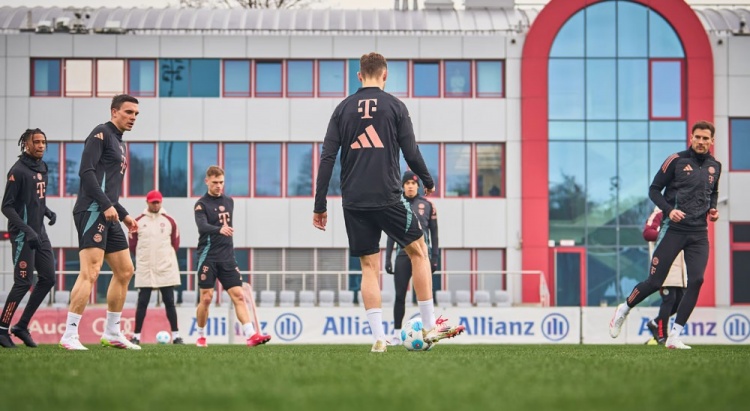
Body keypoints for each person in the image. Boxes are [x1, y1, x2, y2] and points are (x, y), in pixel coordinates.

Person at [313, 52, 464, 353]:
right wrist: (427, 179)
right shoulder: (395, 106)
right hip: (387, 197)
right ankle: (430, 326)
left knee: (369, 266)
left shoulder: (342, 109)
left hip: (354, 200)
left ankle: (379, 338)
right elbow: (411, 151)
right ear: (385, 75)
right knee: (419, 250)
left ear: (359, 76)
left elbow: (327, 157)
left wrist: (320, 205)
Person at [610, 121, 721, 350]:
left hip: (699, 233)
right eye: (697, 137)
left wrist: (713, 209)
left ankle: (674, 336)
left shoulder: (715, 166)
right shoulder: (676, 160)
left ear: (712, 141)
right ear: (691, 137)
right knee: (654, 282)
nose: (701, 141)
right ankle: (624, 308)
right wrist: (669, 210)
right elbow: (653, 190)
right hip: (673, 230)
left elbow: (713, 192)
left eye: (705, 138)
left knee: (697, 280)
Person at [59, 94, 142, 350]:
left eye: (136, 114)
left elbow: (110, 190)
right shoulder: (101, 133)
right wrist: (106, 205)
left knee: (125, 270)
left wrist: (124, 215)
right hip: (92, 210)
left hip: (108, 211)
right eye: (128, 112)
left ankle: (112, 332)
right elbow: (86, 172)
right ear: (114, 111)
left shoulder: (120, 143)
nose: (133, 117)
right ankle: (69, 335)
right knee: (91, 271)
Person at [193, 166, 270, 348]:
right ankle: (201, 336)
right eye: (215, 182)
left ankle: (251, 335)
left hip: (227, 257)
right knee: (206, 298)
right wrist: (219, 229)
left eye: (221, 182)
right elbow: (202, 226)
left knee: (239, 296)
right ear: (207, 181)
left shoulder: (229, 201)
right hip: (208, 257)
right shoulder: (201, 204)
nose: (218, 186)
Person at [0, 129, 57, 348]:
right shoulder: (18, 171)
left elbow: (35, 199)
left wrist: (47, 211)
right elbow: (7, 207)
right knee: (23, 282)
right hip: (23, 235)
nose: (41, 146)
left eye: (43, 142)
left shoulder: (43, 167)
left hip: (39, 232)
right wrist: (27, 231)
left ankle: (21, 326)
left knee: (48, 278)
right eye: (36, 142)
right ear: (26, 144)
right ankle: (2, 329)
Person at [385, 171, 440, 346]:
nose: (410, 186)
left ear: (418, 186)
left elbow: (435, 234)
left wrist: (435, 257)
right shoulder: (395, 204)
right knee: (400, 295)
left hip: (422, 256)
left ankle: (429, 331)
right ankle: (396, 335)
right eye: (407, 183)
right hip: (402, 255)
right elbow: (390, 234)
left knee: (424, 295)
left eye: (413, 183)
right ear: (402, 186)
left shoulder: (428, 205)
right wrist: (387, 258)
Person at [128, 190, 184, 345]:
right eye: (153, 202)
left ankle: (176, 336)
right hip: (145, 268)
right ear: (147, 202)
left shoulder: (170, 221)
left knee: (169, 302)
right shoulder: (137, 221)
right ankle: (136, 336)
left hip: (165, 267)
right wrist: (143, 257)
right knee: (142, 303)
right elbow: (132, 245)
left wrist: (164, 257)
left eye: (158, 202)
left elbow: (175, 243)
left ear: (161, 202)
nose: (155, 205)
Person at [643, 206, 687, 345]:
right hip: (664, 264)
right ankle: (662, 335)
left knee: (680, 302)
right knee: (669, 299)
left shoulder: (684, 213)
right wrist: (667, 235)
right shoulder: (659, 213)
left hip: (681, 267)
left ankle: (656, 323)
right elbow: (647, 233)